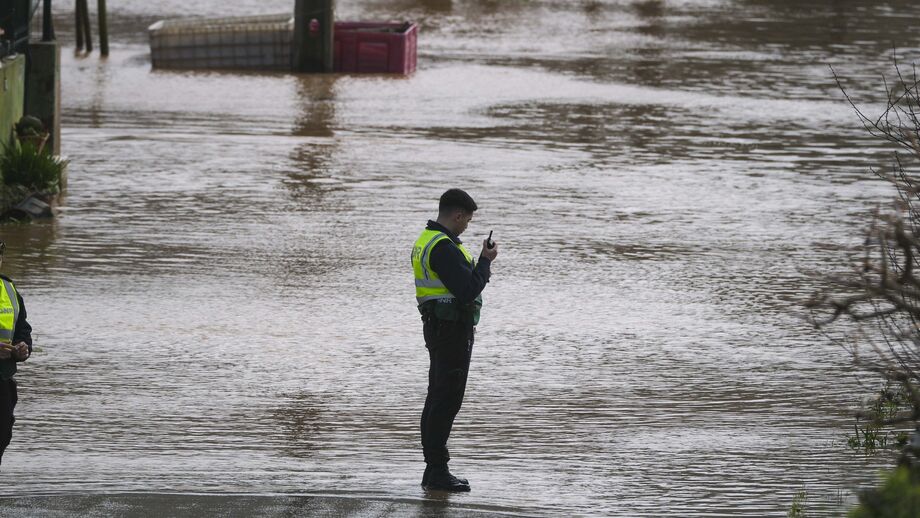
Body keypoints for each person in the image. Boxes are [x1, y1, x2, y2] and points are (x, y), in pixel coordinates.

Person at [411, 188, 498, 491]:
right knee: (446, 400)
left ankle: (433, 469)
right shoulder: (444, 247)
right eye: (468, 221)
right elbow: (467, 290)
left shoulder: (427, 241)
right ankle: (436, 472)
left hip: (438, 327)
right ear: (458, 215)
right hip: (450, 330)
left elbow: (457, 283)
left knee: (437, 397)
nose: (467, 226)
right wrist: (486, 262)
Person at [0, 240, 33, 467]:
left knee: (2, 436)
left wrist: (22, 348)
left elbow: (22, 330)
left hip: (2, 380)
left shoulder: (9, 289)